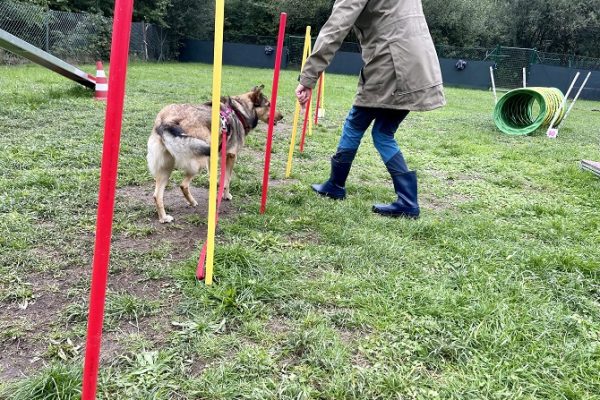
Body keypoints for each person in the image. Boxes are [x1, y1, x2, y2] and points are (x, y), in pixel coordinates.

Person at [296, 0, 446, 218]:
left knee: (355, 123)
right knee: (383, 132)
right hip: (419, 62)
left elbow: (336, 27)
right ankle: (407, 200)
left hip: (391, 63)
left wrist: (308, 76)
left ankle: (336, 186)